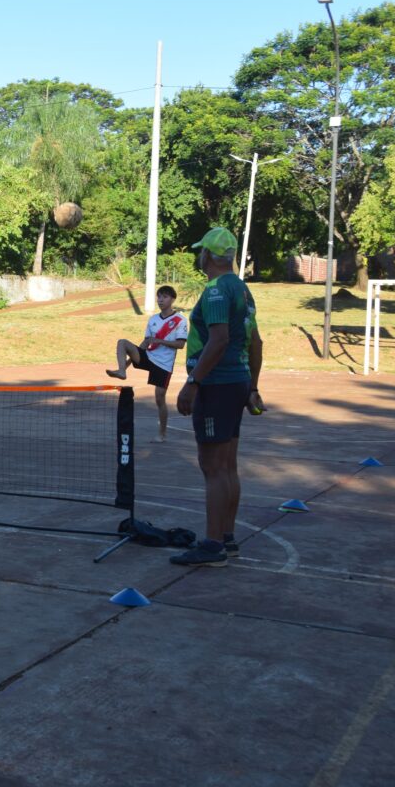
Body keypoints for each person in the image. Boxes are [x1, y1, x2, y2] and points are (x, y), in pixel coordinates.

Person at [170, 227, 264, 567]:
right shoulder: (242, 289)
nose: (200, 257)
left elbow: (219, 339)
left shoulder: (214, 292)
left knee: (212, 466)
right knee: (227, 466)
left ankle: (212, 546)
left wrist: (193, 382)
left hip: (216, 385)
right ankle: (226, 537)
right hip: (236, 382)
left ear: (208, 255)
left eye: (201, 252)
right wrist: (252, 387)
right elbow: (256, 343)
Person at [106, 285, 189, 442]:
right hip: (149, 357)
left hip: (164, 364)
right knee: (122, 343)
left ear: (172, 299)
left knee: (159, 398)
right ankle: (122, 371)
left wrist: (159, 340)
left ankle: (162, 434)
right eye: (159, 297)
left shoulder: (180, 320)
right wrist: (128, 364)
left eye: (164, 297)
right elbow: (145, 343)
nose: (160, 300)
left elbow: (180, 345)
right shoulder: (153, 319)